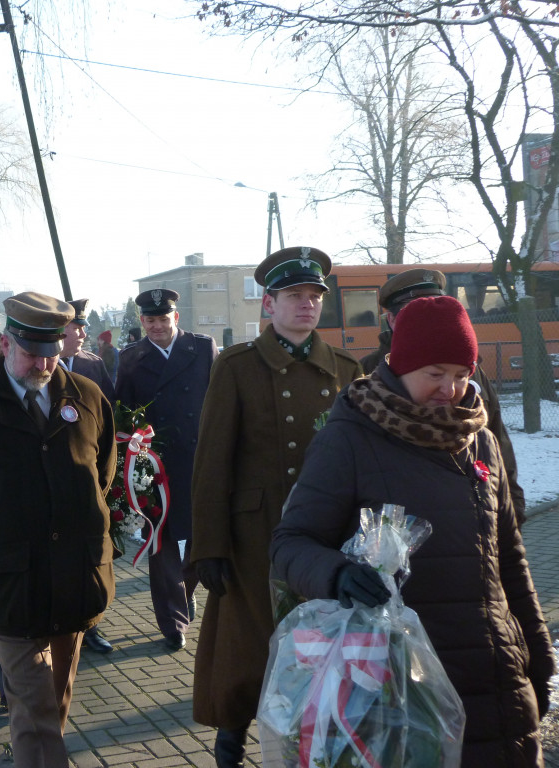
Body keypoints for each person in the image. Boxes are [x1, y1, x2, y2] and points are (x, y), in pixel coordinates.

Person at [270, 295, 554, 768]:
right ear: (400, 367)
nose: (452, 389)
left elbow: (510, 557)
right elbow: (290, 542)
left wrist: (538, 653)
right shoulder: (351, 436)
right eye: (435, 373)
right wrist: (336, 574)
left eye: (464, 374)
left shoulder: (479, 437)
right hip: (399, 681)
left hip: (498, 675)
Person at [0, 292, 117, 768]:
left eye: (53, 352)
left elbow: (104, 475)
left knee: (55, 699)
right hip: (11, 582)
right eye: (33, 352)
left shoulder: (87, 399)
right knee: (34, 708)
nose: (45, 363)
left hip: (76, 577)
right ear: (5, 344)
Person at [189, 246, 363, 768]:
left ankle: (313, 741)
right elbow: (211, 461)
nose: (306, 305)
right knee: (247, 645)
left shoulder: (346, 369)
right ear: (269, 304)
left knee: (315, 644)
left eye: (313, 296)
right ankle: (231, 735)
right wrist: (209, 546)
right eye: (294, 296)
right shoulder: (238, 367)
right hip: (252, 537)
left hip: (323, 538)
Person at [360, 267, 527, 523]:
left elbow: (496, 439)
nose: (450, 387)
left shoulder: (471, 370)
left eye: (435, 305)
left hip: (471, 519)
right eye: (414, 311)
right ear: (392, 320)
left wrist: (512, 509)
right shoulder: (367, 373)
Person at [115, 288, 218, 652]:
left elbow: (219, 399)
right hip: (155, 464)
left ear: (176, 318)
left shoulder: (203, 348)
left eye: (163, 319)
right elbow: (122, 411)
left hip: (199, 458)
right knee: (161, 542)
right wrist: (133, 448)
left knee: (200, 538)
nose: (157, 326)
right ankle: (172, 621)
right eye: (150, 320)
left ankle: (186, 590)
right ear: (142, 322)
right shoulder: (130, 358)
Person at [59, 299, 117, 655]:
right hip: (53, 474)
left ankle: (91, 626)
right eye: (75, 328)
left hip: (89, 473)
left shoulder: (92, 365)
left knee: (91, 555)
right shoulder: (33, 365)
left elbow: (111, 415)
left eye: (83, 328)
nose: (82, 334)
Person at [60, 298, 117, 405]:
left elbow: (109, 404)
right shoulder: (44, 364)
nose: (83, 335)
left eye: (83, 328)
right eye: (77, 329)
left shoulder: (94, 363)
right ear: (60, 330)